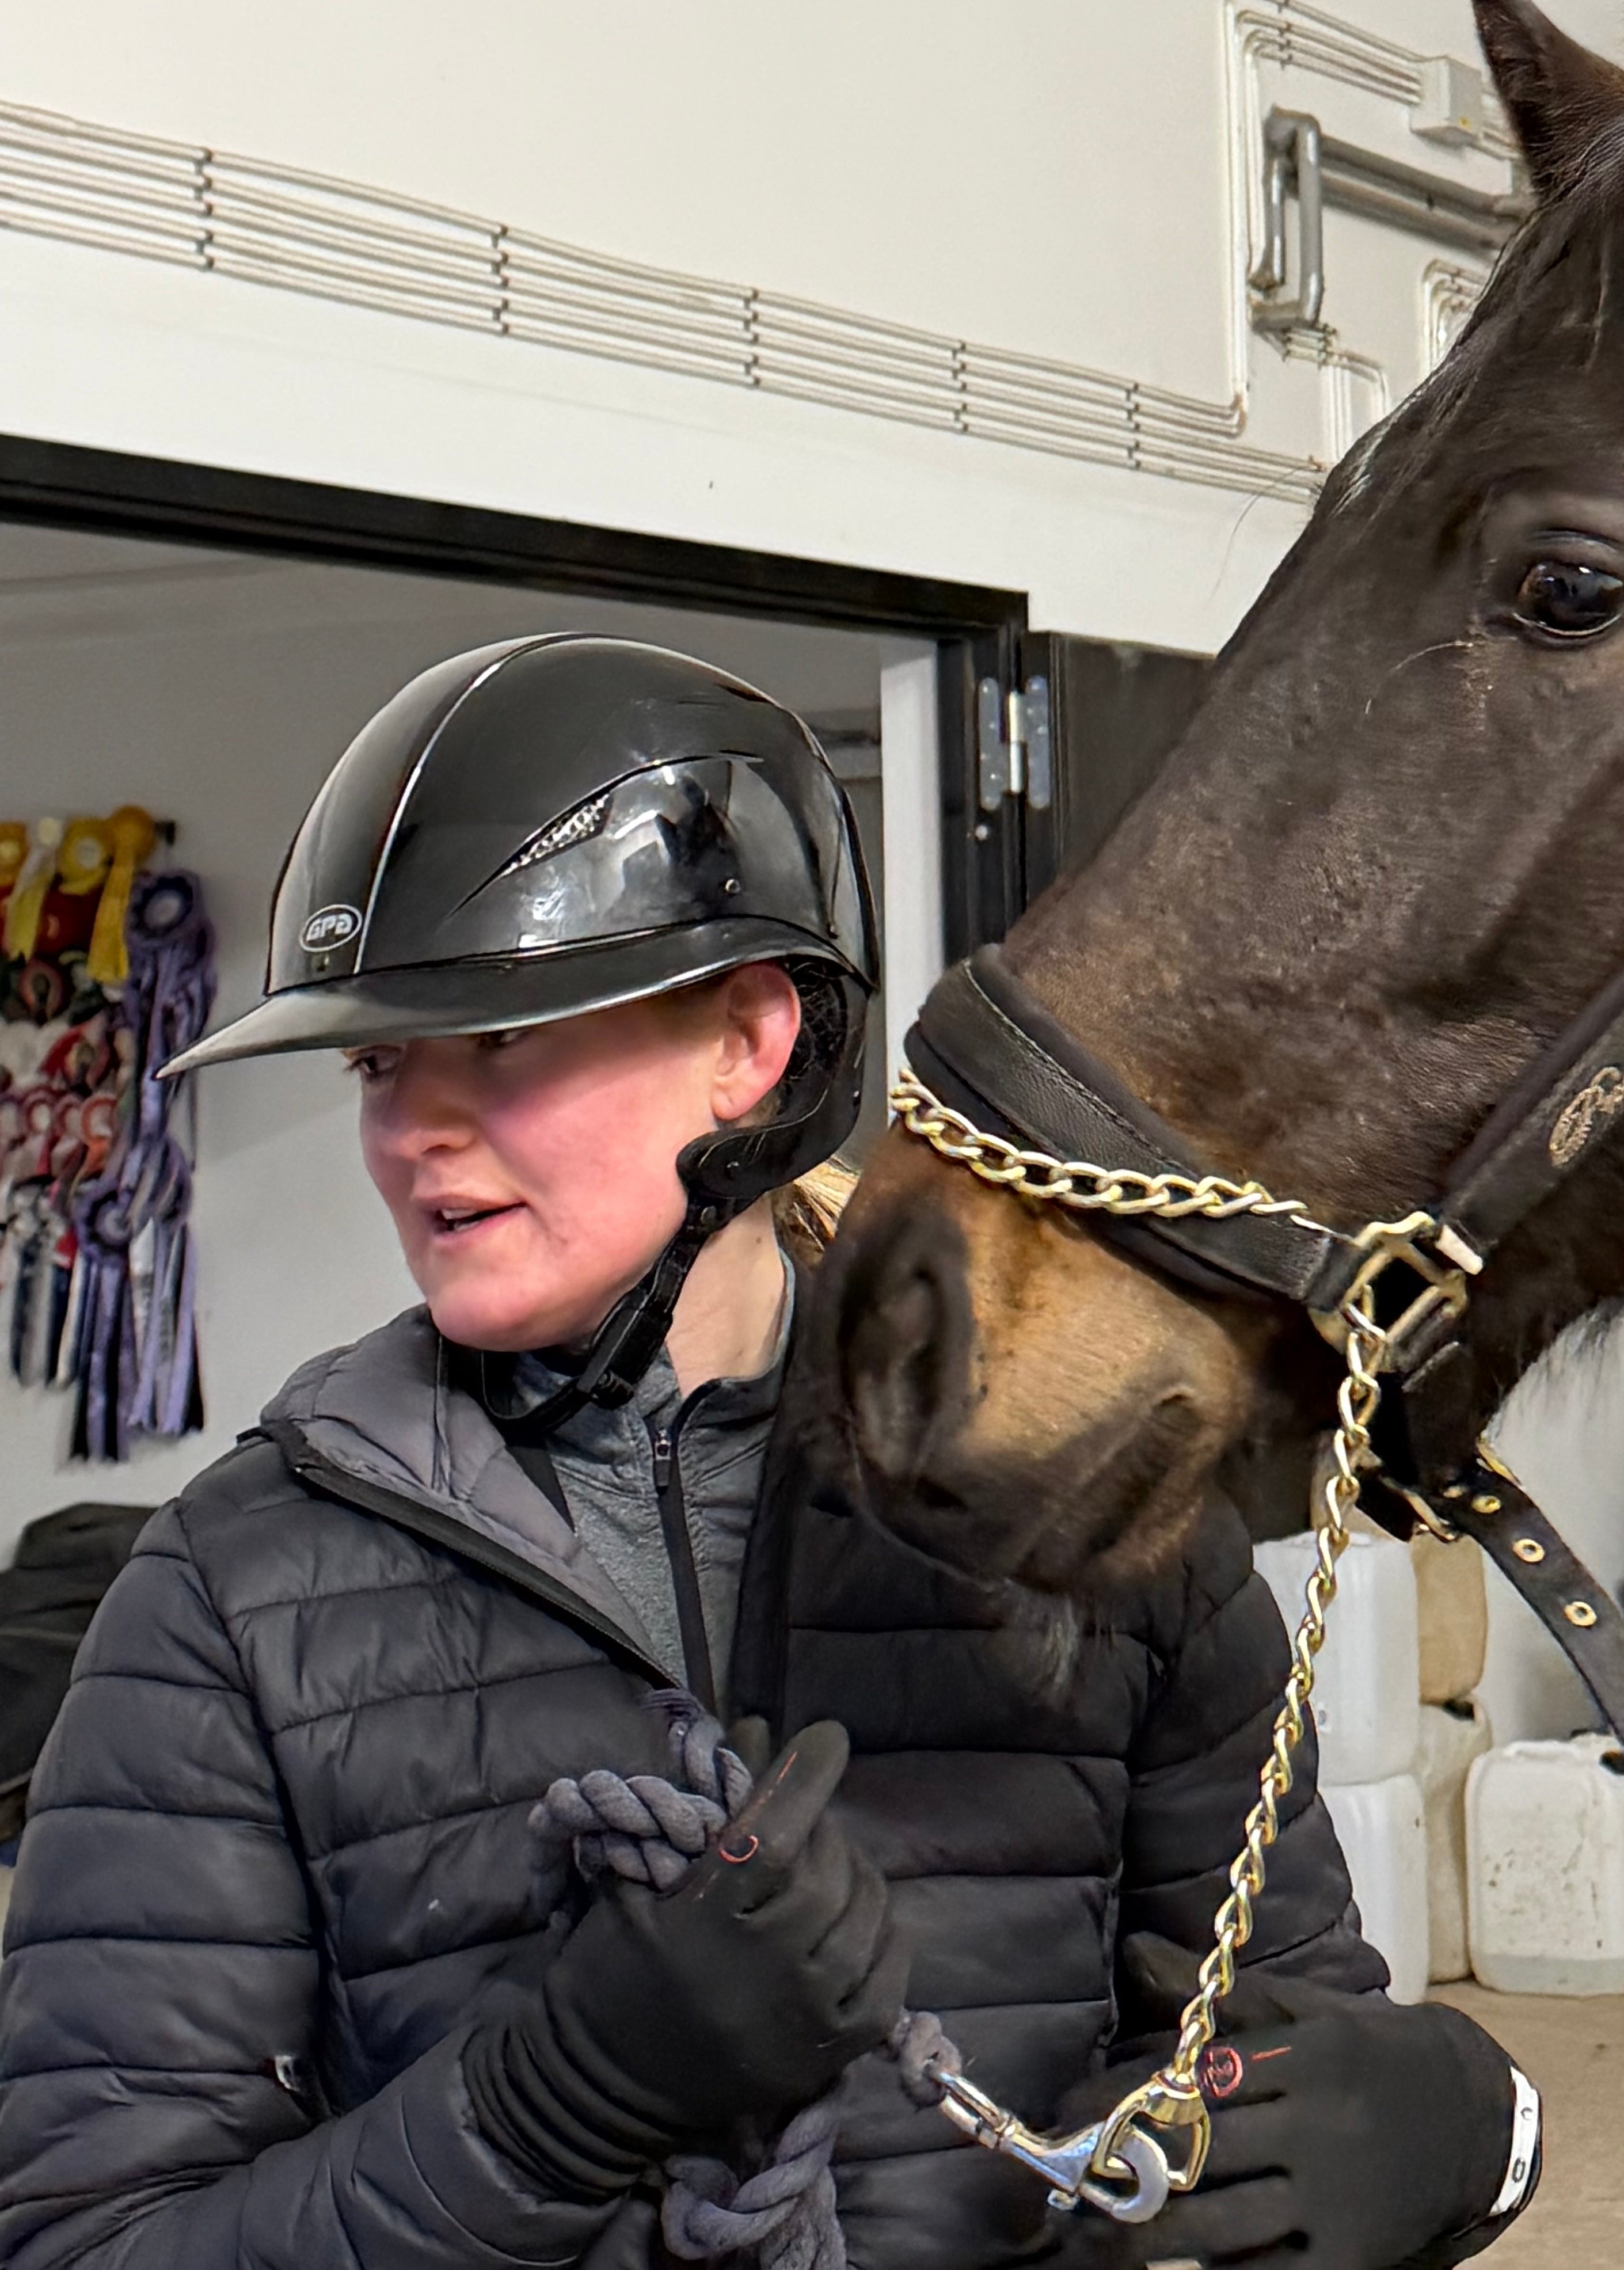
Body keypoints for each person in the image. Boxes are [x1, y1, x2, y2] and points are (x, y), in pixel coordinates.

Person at [0, 634, 1538, 2270]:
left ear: (748, 1041)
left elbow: (1265, 2075)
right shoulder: (233, 1596)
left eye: (499, 1042)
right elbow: (90, 2244)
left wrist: (1453, 2136)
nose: (410, 1133)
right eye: (382, 1063)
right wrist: (549, 2103)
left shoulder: (1078, 1524)